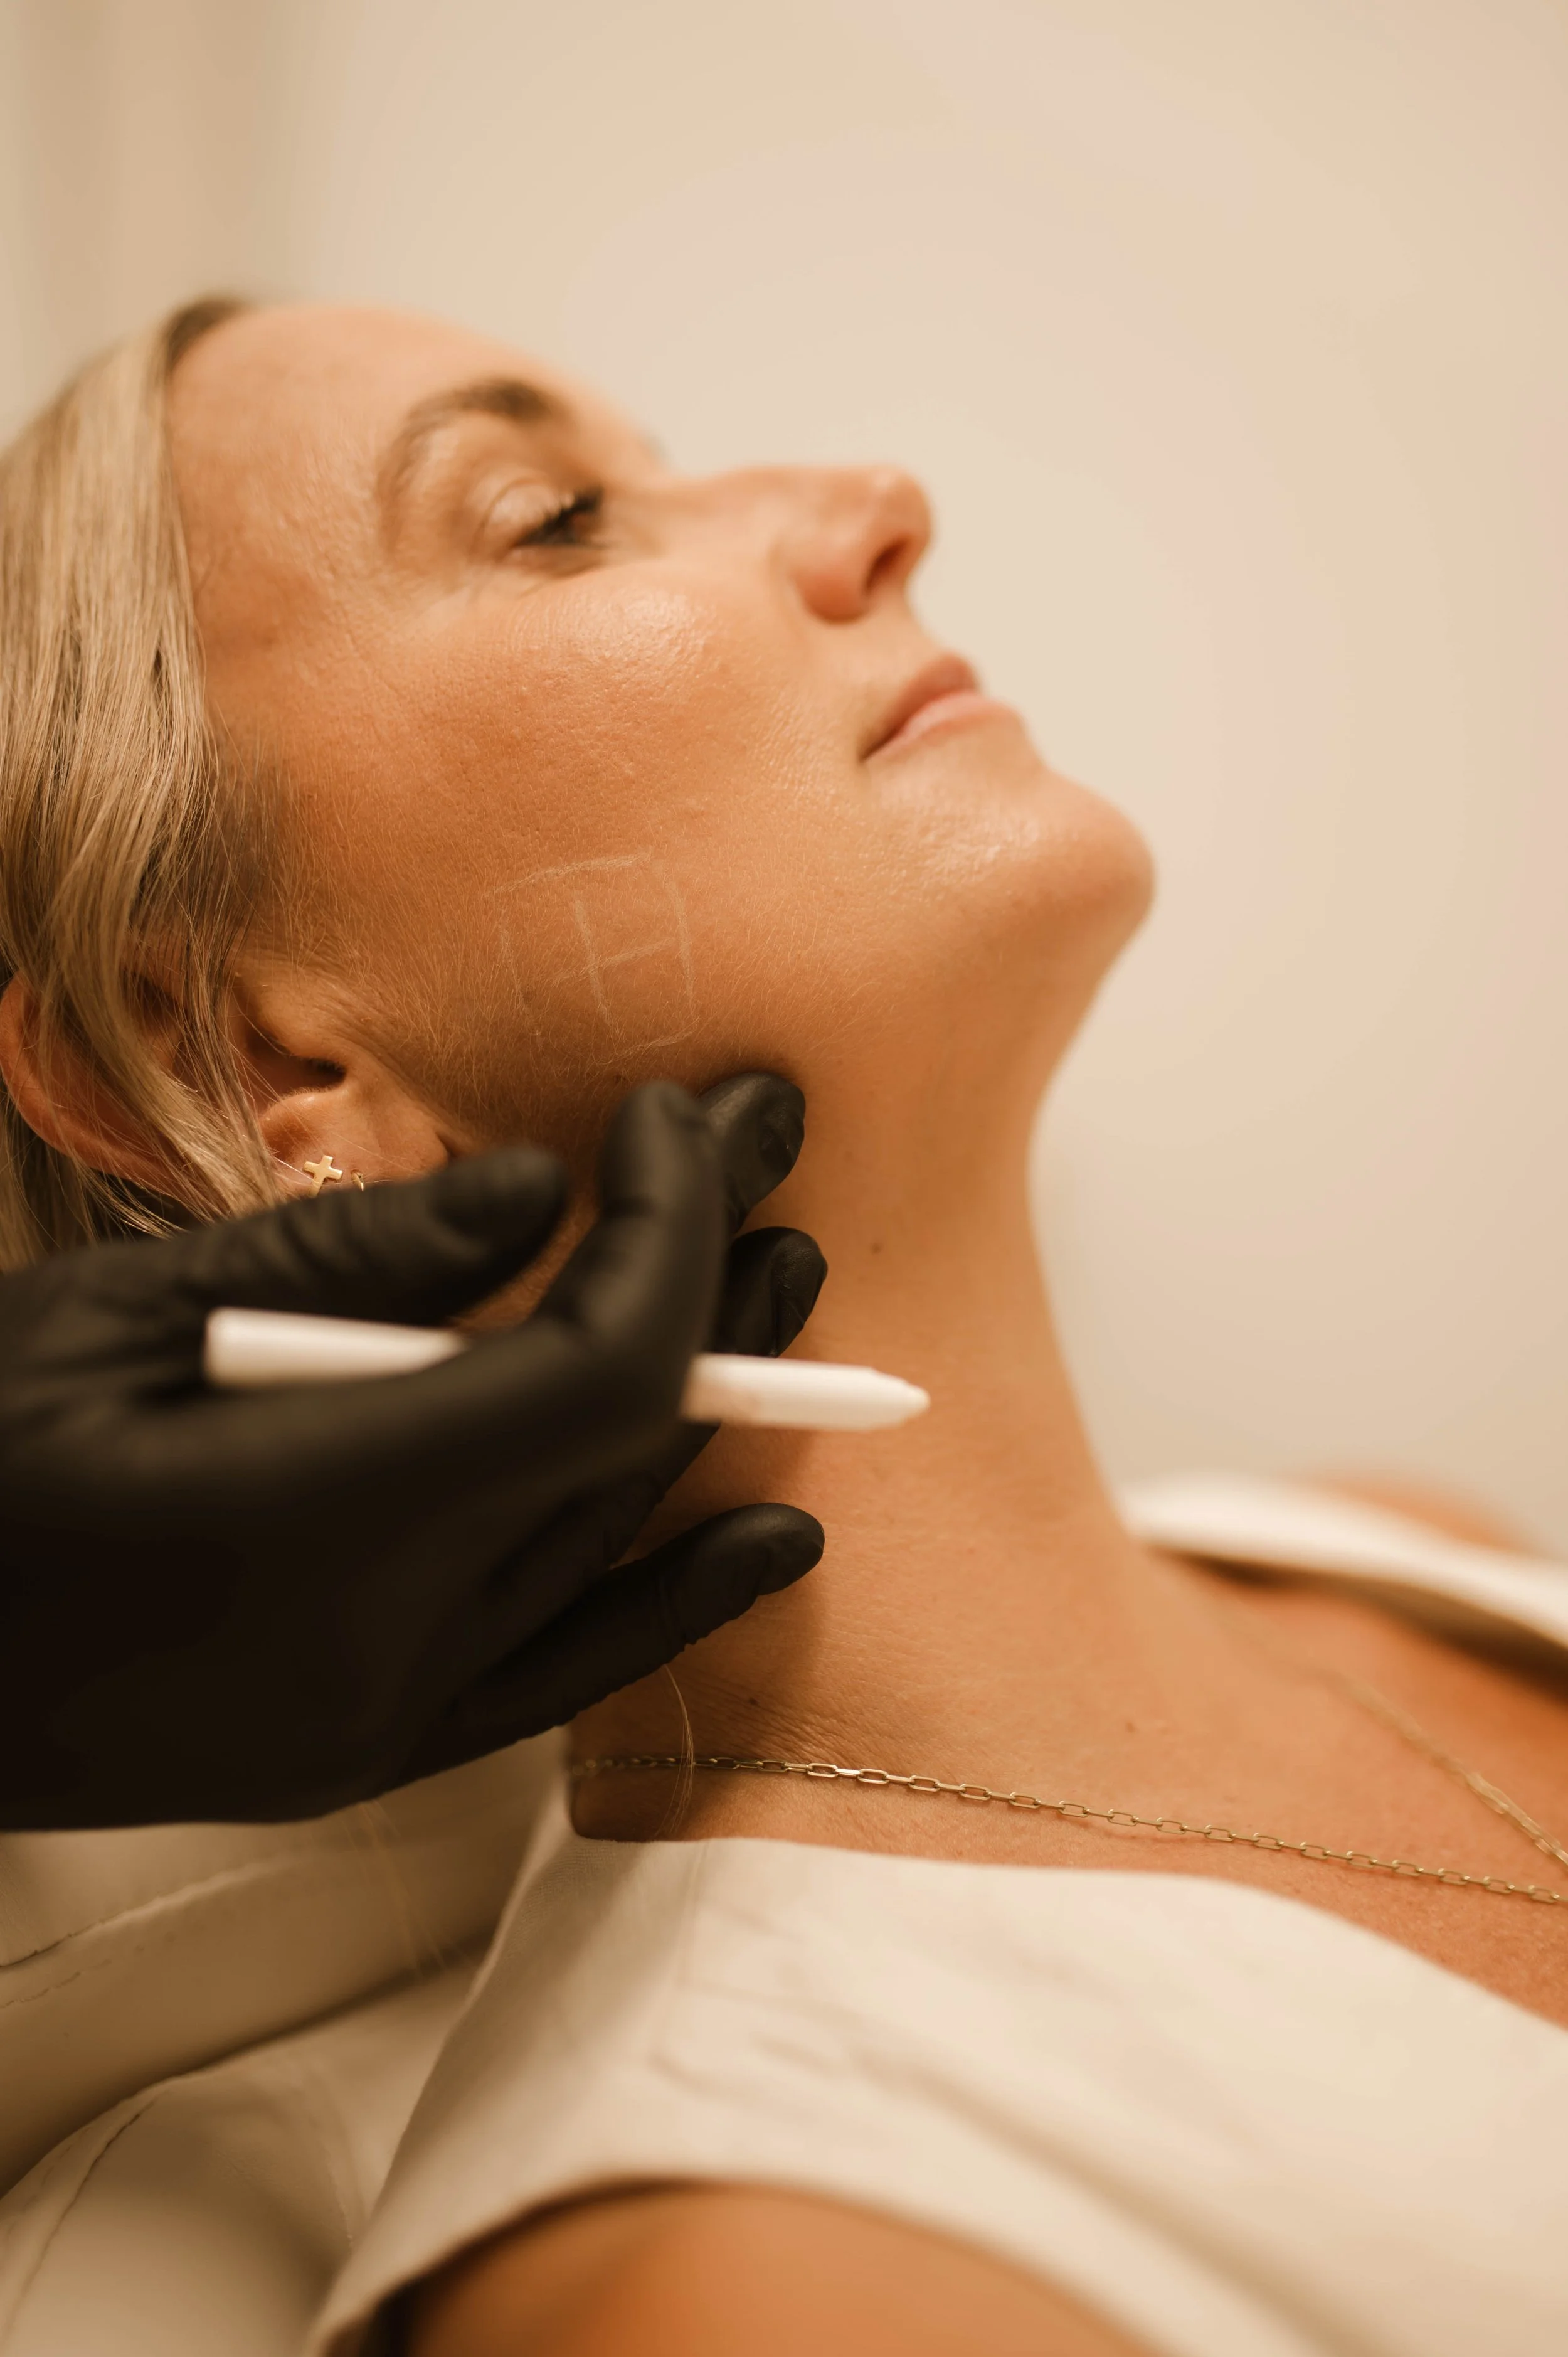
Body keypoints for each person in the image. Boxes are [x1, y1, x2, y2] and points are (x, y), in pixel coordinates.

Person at [0, 297, 1563, 2357]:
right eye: (556, 516)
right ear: (241, 1038)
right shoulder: (743, 2279)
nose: (879, 503)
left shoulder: (1379, 1550)